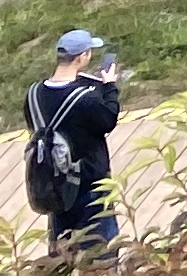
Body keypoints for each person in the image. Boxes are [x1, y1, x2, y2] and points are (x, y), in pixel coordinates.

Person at [25, 29, 120, 253]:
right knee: (101, 252)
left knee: (63, 252)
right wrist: (109, 87)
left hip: (55, 186)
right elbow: (108, 119)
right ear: (81, 57)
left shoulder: (33, 94)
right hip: (91, 185)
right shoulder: (85, 99)